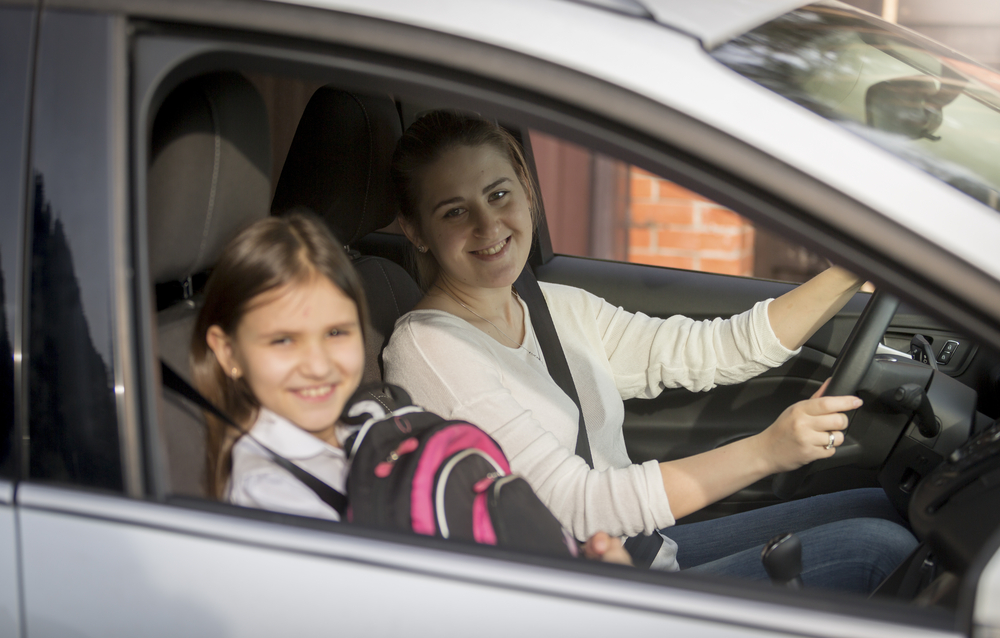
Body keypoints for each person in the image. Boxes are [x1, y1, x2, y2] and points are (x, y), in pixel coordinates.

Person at [382, 111, 917, 592]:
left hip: (645, 553)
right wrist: (768, 450)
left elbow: (718, 349)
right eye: (454, 212)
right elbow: (575, 508)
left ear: (525, 189)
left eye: (498, 194)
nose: (488, 225)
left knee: (887, 506)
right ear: (416, 230)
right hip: (585, 597)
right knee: (880, 551)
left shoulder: (553, 308)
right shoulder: (431, 347)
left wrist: (857, 264)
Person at [189, 212, 632, 565]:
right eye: (283, 340)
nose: (318, 364)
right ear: (227, 352)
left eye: (337, 333)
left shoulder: (356, 429)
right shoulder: (272, 495)